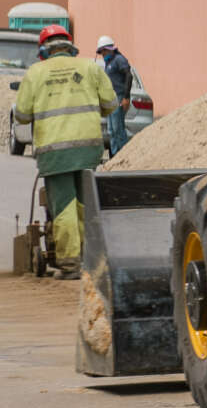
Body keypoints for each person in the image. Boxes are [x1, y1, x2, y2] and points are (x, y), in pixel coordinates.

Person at [11, 23, 117, 266]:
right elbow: (111, 104)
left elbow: (22, 115)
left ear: (44, 51)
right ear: (71, 48)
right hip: (88, 148)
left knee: (65, 206)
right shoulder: (90, 68)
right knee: (85, 203)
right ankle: (89, 258)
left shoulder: (36, 73)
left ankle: (69, 263)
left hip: (55, 151)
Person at [94, 33, 135, 156]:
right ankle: (114, 156)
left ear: (108, 49)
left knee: (118, 129)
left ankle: (122, 155)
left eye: (104, 52)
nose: (103, 55)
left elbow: (129, 75)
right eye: (101, 53)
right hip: (111, 99)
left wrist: (126, 97)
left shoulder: (119, 59)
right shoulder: (109, 62)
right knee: (111, 130)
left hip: (119, 98)